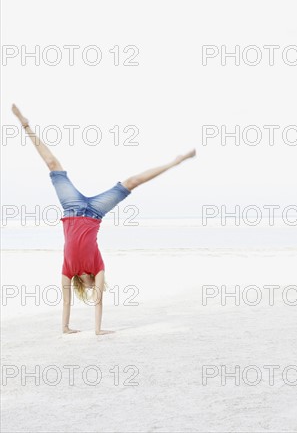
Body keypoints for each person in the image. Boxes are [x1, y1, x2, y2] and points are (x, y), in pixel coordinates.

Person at [11, 104, 196, 335]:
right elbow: (99, 302)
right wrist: (99, 330)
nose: (93, 290)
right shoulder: (98, 267)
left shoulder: (68, 271)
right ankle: (26, 123)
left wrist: (65, 327)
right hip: (95, 212)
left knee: (53, 167)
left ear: (81, 285)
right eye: (94, 289)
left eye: (90, 290)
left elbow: (66, 302)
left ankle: (175, 162)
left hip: (72, 209)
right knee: (130, 182)